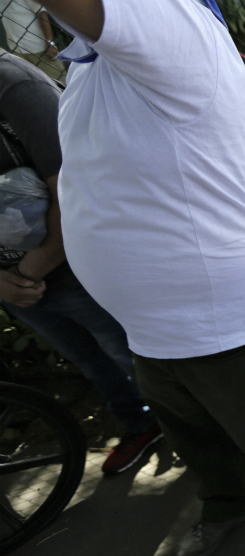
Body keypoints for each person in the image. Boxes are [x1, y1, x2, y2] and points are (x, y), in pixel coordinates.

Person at [35, 1, 245, 556]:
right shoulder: (90, 68)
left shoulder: (173, 22)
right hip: (149, 328)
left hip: (224, 323)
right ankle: (227, 506)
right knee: (197, 441)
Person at [0, 49, 161, 475]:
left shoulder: (15, 87)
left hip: (78, 270)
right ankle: (141, 426)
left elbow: (77, 191)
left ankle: (201, 441)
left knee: (135, 356)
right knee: (91, 362)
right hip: (15, 286)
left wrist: (25, 273)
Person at [0, 0, 64, 80]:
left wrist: (50, 43)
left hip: (39, 47)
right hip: (16, 50)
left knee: (60, 81)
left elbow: (42, 14)